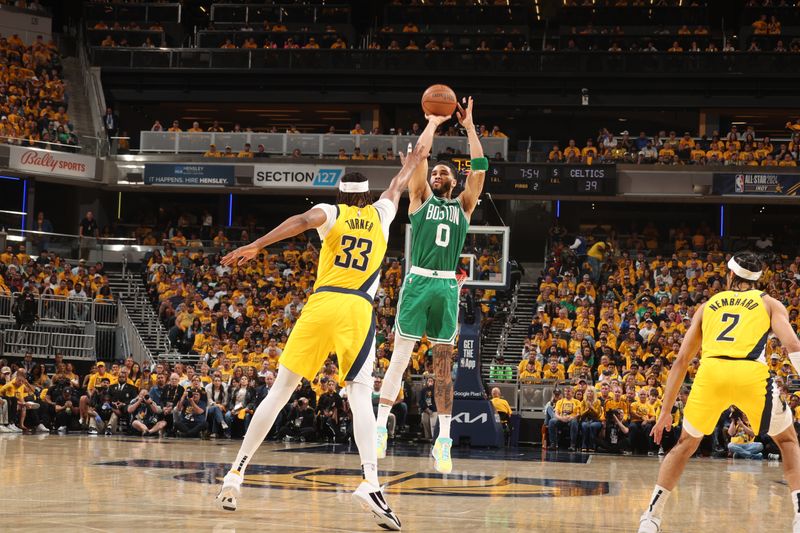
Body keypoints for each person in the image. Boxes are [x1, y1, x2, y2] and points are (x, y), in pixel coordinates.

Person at [214, 118, 439, 532]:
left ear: (340, 194)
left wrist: (255, 245)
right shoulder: (382, 212)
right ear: (367, 196)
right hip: (356, 310)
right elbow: (412, 165)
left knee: (280, 391)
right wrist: (433, 122)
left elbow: (299, 221)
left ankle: (235, 475)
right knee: (358, 395)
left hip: (320, 305)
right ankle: (370, 481)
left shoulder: (331, 212)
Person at [638, 251, 800, 533]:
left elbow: (681, 361)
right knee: (787, 441)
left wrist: (665, 412)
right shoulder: (770, 304)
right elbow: (793, 347)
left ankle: (651, 517)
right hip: (750, 373)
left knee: (685, 445)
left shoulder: (708, 306)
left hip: (711, 373)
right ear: (757, 279)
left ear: (730, 274)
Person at [376, 97, 488, 475]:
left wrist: (470, 127)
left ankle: (443, 441)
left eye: (444, 173)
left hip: (445, 288)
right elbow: (420, 156)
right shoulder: (419, 198)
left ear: (454, 181)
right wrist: (433, 122)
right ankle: (379, 428)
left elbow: (480, 168)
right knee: (400, 358)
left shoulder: (464, 206)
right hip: (419, 280)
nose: (437, 174)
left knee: (443, 369)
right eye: (435, 172)